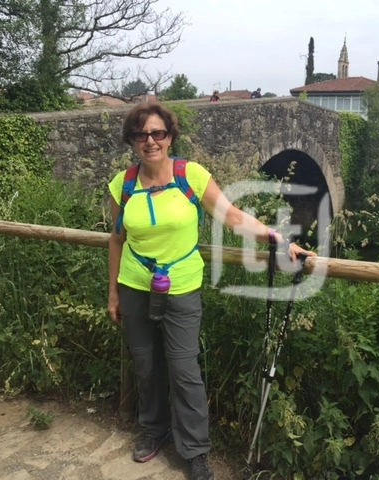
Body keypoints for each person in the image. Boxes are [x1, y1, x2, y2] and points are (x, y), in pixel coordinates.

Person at [107, 102, 316, 480]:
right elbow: (117, 239)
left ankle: (195, 450)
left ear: (170, 137)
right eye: (141, 135)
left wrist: (278, 239)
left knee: (184, 368)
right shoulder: (123, 184)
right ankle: (154, 430)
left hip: (182, 284)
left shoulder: (191, 176)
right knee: (145, 363)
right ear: (132, 141)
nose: (150, 141)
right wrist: (113, 292)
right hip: (134, 282)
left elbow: (233, 217)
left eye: (158, 133)